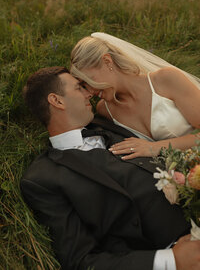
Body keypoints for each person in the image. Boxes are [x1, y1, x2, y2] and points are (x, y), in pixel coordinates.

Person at [21, 66, 200, 270]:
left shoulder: (107, 122)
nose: (90, 93)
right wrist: (171, 261)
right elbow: (79, 260)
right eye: (79, 88)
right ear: (57, 101)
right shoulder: (43, 178)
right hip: (174, 253)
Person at [70, 32, 200, 159]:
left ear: (107, 61)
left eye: (89, 80)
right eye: (84, 85)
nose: (90, 91)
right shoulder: (104, 110)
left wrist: (154, 147)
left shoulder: (166, 80)